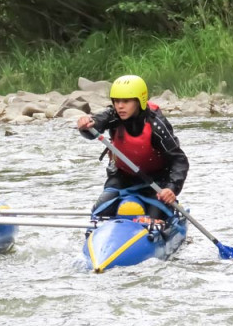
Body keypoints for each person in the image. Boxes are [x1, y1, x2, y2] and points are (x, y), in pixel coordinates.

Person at [76, 75, 189, 220]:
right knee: (100, 212)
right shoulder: (113, 115)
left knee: (156, 216)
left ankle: (163, 215)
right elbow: (95, 126)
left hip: (156, 180)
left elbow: (179, 160)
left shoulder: (156, 125)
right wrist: (85, 126)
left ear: (139, 101)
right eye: (116, 101)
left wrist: (171, 188)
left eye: (126, 101)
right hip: (122, 177)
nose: (120, 106)